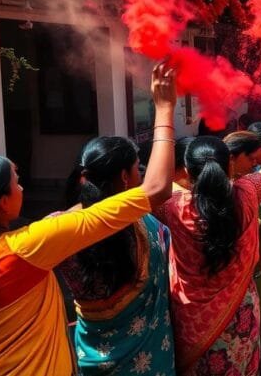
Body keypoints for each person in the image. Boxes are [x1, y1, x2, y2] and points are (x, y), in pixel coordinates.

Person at [0, 63, 176, 375]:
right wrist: (165, 107)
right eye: (16, 181)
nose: (23, 186)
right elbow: (157, 189)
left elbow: (80, 214)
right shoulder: (32, 245)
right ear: (2, 202)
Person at [155, 73, 261, 375]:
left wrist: (164, 109)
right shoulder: (247, 195)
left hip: (191, 323)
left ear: (186, 172)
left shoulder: (172, 207)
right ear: (230, 163)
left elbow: (155, 185)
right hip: (241, 320)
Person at [59, 136, 176, 375]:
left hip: (91, 358)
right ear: (125, 177)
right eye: (137, 168)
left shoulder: (59, 228)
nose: (141, 174)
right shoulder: (145, 222)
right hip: (152, 361)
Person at [223, 130, 261, 376]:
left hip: (258, 283)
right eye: (252, 156)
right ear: (231, 159)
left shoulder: (246, 189)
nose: (257, 162)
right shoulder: (242, 193)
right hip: (238, 295)